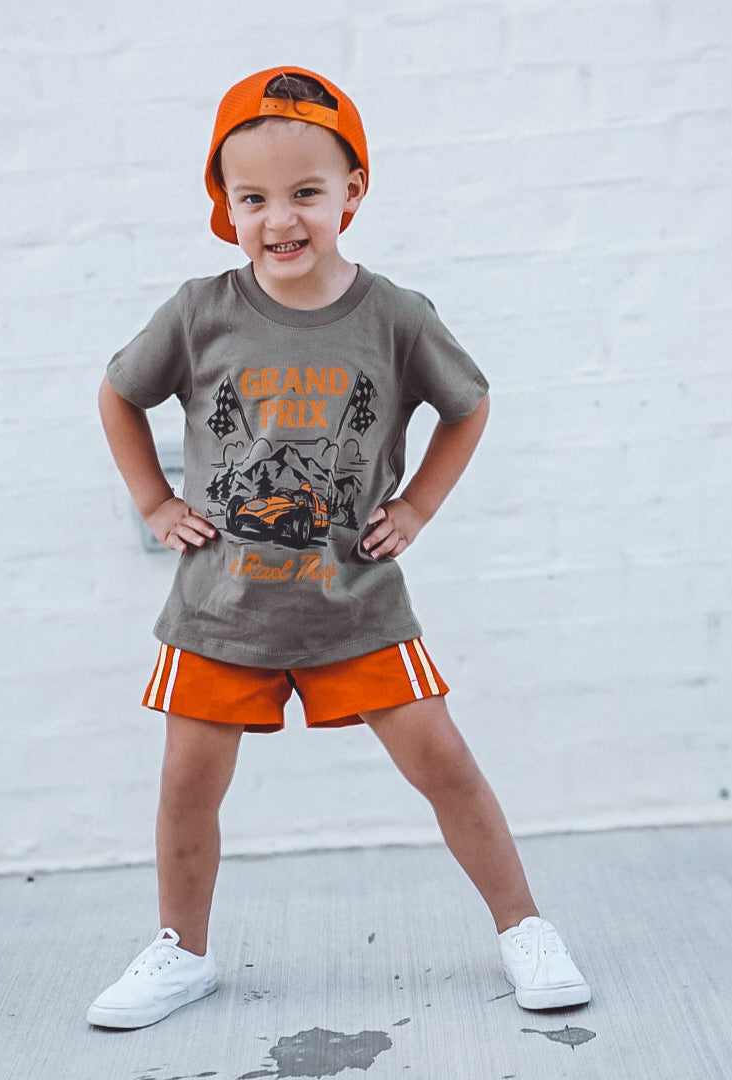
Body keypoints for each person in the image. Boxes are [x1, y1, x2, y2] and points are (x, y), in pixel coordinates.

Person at [88, 66, 590, 1029]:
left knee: (445, 764)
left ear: (351, 192)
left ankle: (524, 926)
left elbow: (469, 405)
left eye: (305, 193)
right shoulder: (199, 311)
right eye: (253, 198)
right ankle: (181, 952)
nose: (280, 219)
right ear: (224, 203)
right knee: (187, 785)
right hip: (220, 607)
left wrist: (419, 507)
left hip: (355, 602)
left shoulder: (394, 315)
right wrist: (154, 501)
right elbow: (118, 393)